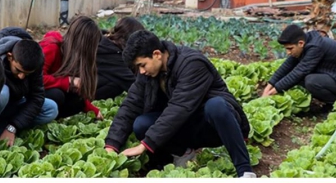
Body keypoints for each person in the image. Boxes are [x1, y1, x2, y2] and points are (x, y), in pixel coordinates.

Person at [103, 30, 256, 178]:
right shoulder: (148, 75)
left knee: (216, 106)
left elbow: (179, 108)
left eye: (142, 65)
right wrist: (112, 144)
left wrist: (145, 144)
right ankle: (184, 153)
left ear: (156, 54)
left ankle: (245, 171)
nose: (141, 71)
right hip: (185, 126)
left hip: (210, 127)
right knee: (141, 124)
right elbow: (130, 105)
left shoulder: (191, 64)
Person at [262, 24, 336, 109]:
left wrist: (273, 92)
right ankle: (334, 100)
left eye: (290, 48)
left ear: (300, 43)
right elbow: (288, 65)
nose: (288, 52)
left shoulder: (315, 47)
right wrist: (268, 87)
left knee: (310, 80)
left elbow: (299, 72)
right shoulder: (308, 41)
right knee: (300, 78)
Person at [0, 27, 59, 145]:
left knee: (51, 108)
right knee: (2, 94)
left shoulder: (35, 62)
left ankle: (5, 128)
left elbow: (37, 97)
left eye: (27, 74)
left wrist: (13, 127)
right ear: (10, 57)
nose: (21, 77)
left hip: (14, 104)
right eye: (18, 70)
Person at [39, 16, 103, 119]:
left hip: (48, 97)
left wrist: (93, 110)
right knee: (57, 95)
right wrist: (68, 81)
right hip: (30, 95)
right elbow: (36, 79)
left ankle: (53, 119)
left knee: (77, 101)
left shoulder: (72, 57)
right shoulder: (52, 48)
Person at [95, 17, 145, 100]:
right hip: (80, 92)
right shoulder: (112, 53)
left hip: (78, 85)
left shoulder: (104, 42)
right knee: (118, 84)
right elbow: (132, 83)